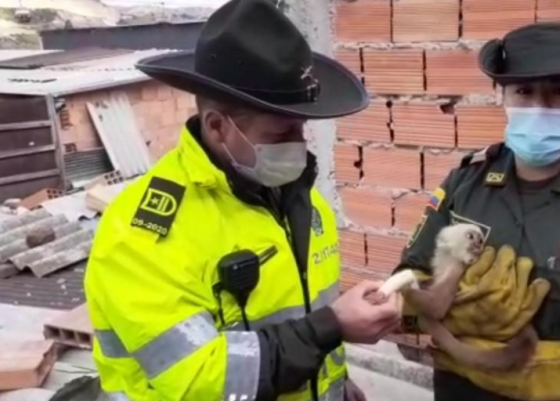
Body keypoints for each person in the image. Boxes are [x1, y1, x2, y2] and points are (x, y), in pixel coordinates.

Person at [83, 1, 400, 400]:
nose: (298, 146)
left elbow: (297, 316)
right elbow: (200, 380)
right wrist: (332, 326)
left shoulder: (298, 199)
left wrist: (335, 386)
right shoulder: (142, 235)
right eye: (282, 133)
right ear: (218, 127)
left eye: (301, 129)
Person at [396, 22, 560, 401]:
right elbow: (404, 288)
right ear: (502, 96)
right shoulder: (463, 185)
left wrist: (520, 369)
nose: (539, 107)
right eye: (523, 91)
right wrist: (433, 309)